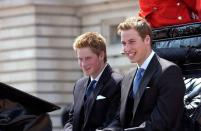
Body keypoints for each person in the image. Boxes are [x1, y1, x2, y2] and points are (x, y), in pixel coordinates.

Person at [107, 16, 186, 131]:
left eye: (132, 42)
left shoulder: (169, 72)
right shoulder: (128, 77)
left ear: (147, 40)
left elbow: (161, 123)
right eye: (123, 43)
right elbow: (119, 118)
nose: (127, 48)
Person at [64, 32, 123, 131]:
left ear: (101, 55)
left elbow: (115, 122)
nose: (83, 64)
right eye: (80, 59)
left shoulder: (118, 83)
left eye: (87, 58)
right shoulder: (79, 85)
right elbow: (71, 120)